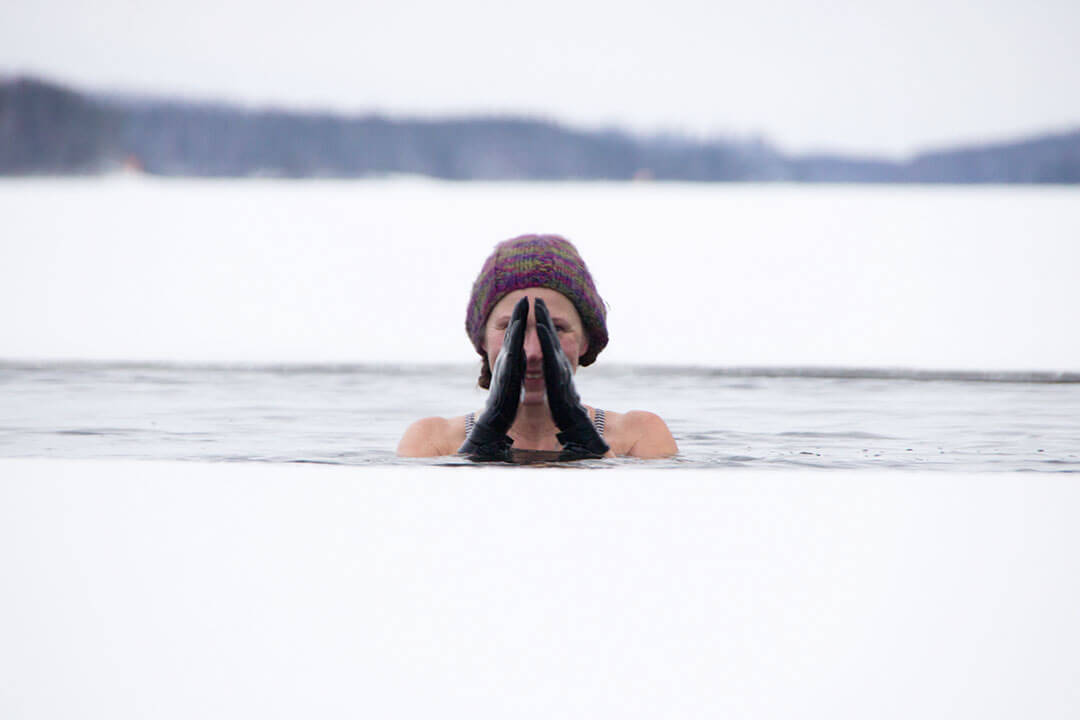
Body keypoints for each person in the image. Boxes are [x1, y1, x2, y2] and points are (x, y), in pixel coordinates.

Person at [397, 234, 677, 461]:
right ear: (481, 340)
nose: (532, 352)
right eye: (511, 328)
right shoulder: (430, 441)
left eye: (555, 329)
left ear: (585, 340)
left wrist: (588, 446)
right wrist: (482, 445)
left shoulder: (641, 435)